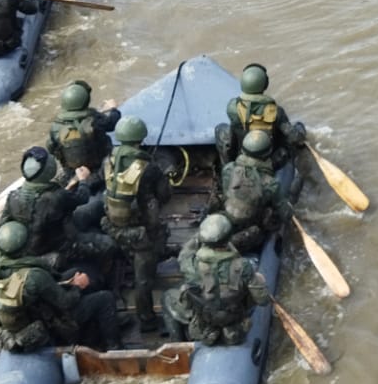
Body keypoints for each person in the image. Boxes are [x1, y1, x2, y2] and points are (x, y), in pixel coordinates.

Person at [0, 220, 118, 353]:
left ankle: (90, 332)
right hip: (46, 324)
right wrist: (78, 286)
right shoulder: (34, 276)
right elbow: (66, 302)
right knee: (105, 299)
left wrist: (4, 296)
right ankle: (114, 347)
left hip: (22, 320)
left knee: (71, 273)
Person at [101, 115, 169, 333]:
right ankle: (147, 320)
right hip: (141, 234)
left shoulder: (109, 160)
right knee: (143, 280)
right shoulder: (149, 168)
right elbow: (164, 195)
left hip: (112, 225)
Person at [166, 214, 270, 347]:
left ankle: (178, 343)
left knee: (168, 297)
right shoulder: (243, 266)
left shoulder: (191, 264)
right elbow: (263, 300)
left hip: (206, 317)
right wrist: (260, 280)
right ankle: (229, 329)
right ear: (228, 238)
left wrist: (197, 237)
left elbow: (184, 254)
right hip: (232, 316)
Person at [0, 144, 91, 259]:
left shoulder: (13, 196)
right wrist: (83, 179)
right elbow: (83, 197)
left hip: (27, 251)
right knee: (108, 245)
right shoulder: (56, 197)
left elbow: (3, 226)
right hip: (57, 251)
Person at [213, 128, 291, 254]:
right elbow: (285, 213)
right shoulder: (271, 183)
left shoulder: (228, 169)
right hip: (250, 226)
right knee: (270, 212)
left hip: (227, 217)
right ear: (268, 153)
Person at [216, 63, 307, 168]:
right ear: (265, 84)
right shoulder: (276, 111)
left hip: (241, 154)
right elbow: (294, 137)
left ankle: (227, 166)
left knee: (220, 129)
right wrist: (300, 131)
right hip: (269, 160)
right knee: (296, 129)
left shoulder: (232, 107)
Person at [48, 81, 119, 180]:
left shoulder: (56, 126)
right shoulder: (95, 119)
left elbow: (51, 148)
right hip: (99, 167)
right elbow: (111, 123)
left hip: (72, 172)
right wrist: (114, 109)